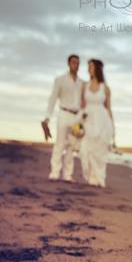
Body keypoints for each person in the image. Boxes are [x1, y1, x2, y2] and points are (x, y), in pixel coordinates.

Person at [43, 54, 83, 182]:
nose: (75, 65)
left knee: (72, 146)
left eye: (77, 63)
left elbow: (84, 102)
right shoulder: (60, 79)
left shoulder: (82, 83)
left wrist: (82, 119)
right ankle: (54, 172)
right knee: (60, 144)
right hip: (63, 114)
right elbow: (53, 98)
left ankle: (67, 174)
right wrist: (47, 117)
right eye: (72, 62)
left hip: (77, 117)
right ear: (68, 63)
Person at [78, 59, 115, 187]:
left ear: (97, 69)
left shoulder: (105, 88)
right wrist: (79, 123)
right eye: (88, 67)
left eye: (91, 67)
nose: (88, 69)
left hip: (102, 121)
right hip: (88, 120)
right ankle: (89, 176)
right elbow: (82, 106)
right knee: (85, 149)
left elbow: (109, 108)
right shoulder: (84, 86)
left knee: (100, 151)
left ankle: (98, 178)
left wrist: (113, 129)